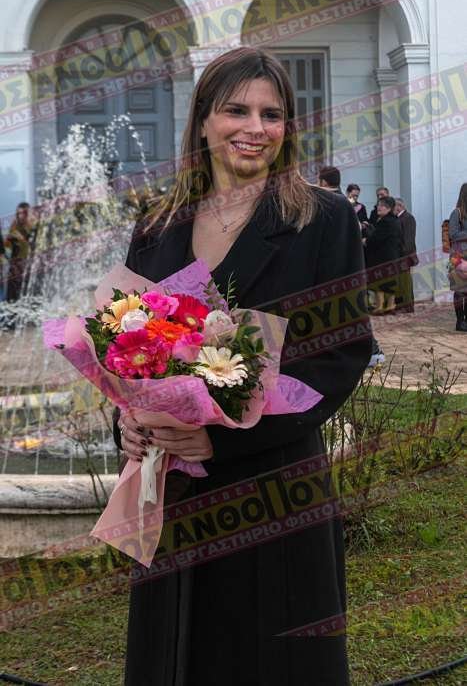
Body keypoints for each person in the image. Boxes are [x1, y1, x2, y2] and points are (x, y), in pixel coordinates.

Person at [114, 47, 372, 686]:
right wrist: (127, 423)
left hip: (272, 486)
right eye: (237, 110)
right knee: (176, 655)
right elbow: (124, 345)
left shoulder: (322, 219)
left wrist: (224, 440)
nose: (255, 128)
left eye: (272, 114)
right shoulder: (156, 225)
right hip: (170, 487)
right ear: (203, 118)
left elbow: (341, 354)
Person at [364, 196, 402, 314]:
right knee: (389, 281)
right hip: (392, 255)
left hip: (382, 257)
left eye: (382, 206)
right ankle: (390, 305)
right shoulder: (395, 220)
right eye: (378, 205)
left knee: (379, 280)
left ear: (389, 208)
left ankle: (380, 306)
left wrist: (365, 240)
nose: (378, 207)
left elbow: (376, 238)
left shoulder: (385, 221)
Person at [5, 202, 36, 302]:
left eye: (24, 213)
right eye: (19, 213)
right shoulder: (15, 226)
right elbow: (8, 245)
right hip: (16, 264)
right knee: (13, 293)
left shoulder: (33, 227)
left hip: (28, 263)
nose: (21, 216)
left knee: (27, 290)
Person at [448, 182, 467, 331]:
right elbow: (453, 234)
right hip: (458, 257)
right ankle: (460, 322)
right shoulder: (457, 213)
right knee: (460, 290)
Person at [394, 198, 418, 313]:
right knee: (400, 281)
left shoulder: (408, 218)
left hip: (404, 256)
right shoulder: (399, 218)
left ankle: (407, 306)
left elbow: (408, 240)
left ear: (399, 206)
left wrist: (402, 254)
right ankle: (401, 305)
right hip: (400, 256)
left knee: (405, 282)